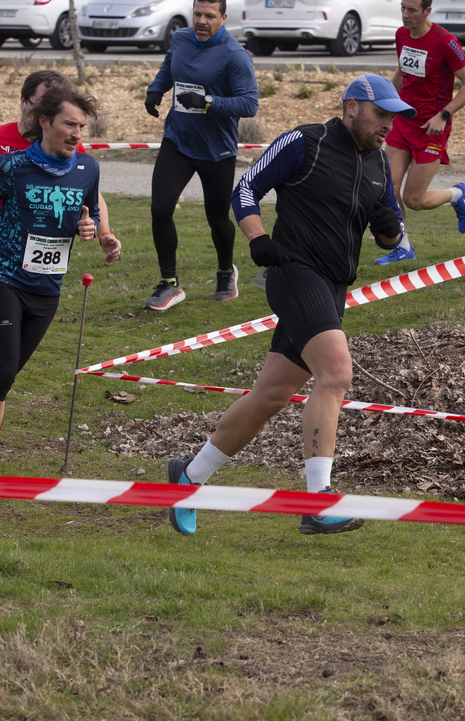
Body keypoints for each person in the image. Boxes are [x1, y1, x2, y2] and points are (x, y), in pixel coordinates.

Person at [165, 74, 412, 536]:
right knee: (336, 373)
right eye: (382, 114)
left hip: (333, 288)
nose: (388, 126)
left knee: (271, 395)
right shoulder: (305, 142)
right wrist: (258, 239)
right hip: (293, 272)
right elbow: (245, 190)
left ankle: (188, 477)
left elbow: (392, 234)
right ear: (352, 107)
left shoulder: (379, 163)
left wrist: (389, 226)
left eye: (394, 118)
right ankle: (317, 500)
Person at [0, 85, 122, 493]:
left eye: (82, 126)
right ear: (45, 123)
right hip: (1, 277)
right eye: (69, 124)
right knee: (1, 372)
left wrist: (93, 232)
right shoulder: (13, 166)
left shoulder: (88, 168)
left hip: (47, 288)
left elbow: (83, 214)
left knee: (0, 373)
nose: (77, 133)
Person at [142, 0, 259, 311]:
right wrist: (156, 89)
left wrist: (208, 102)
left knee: (217, 218)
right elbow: (170, 63)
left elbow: (249, 104)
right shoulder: (180, 38)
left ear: (223, 18)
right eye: (198, 14)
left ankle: (225, 271)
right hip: (178, 140)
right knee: (160, 209)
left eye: (210, 16)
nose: (202, 21)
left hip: (216, 149)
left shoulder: (234, 55)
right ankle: (169, 283)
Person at [376, 0, 465, 265]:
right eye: (402, 8)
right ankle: (403, 246)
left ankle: (458, 194)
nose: (405, 15)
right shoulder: (402, 35)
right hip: (403, 123)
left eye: (412, 10)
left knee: (414, 199)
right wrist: (386, 105)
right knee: (388, 187)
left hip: (431, 129)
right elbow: (402, 71)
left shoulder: (446, 42)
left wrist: (442, 116)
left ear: (427, 10)